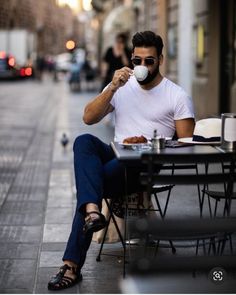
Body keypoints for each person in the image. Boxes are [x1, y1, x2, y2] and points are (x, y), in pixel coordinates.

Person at [48, 31, 195, 290]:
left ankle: (71, 263)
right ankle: (92, 211)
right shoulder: (121, 86)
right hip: (116, 153)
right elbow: (88, 117)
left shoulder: (176, 96)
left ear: (160, 59)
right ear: (131, 59)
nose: (142, 67)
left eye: (149, 61)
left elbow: (186, 145)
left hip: (145, 164)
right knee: (84, 141)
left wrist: (151, 145)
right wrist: (113, 86)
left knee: (93, 183)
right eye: (137, 60)